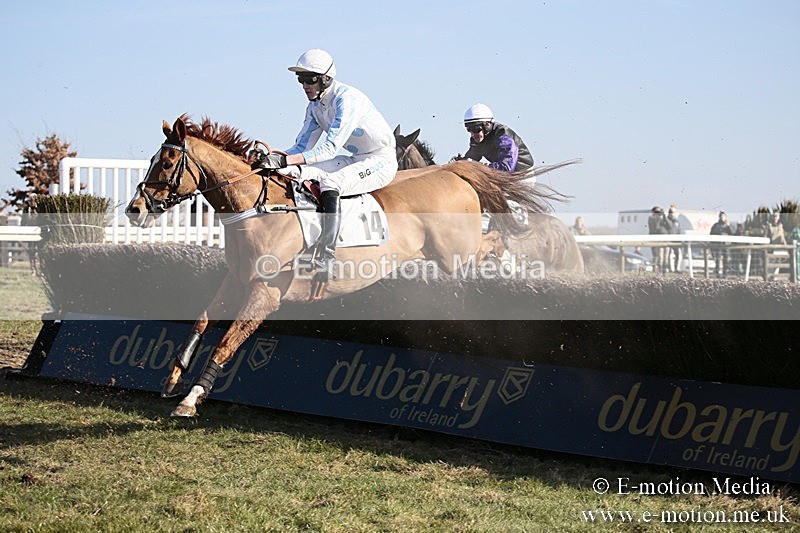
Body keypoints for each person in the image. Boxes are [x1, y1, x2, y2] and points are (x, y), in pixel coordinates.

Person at [253, 49, 398, 281]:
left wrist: (286, 160)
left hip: (380, 160)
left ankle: (327, 255)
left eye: (310, 79)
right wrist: (273, 159)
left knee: (330, 182)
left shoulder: (346, 99)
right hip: (354, 158)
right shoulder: (314, 107)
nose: (304, 85)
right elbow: (300, 148)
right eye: (300, 79)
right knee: (298, 172)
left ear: (326, 79)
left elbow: (329, 148)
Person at [459, 103, 533, 172]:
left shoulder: (503, 136)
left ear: (487, 125)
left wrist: (481, 167)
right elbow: (471, 158)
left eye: (475, 129)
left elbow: (506, 168)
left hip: (522, 174)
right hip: (502, 174)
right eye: (469, 129)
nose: (472, 134)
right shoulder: (477, 139)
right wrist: (459, 163)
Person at [710, 211, 734, 277]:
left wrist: (729, 226)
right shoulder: (716, 225)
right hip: (718, 245)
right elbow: (711, 234)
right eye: (721, 216)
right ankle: (717, 273)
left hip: (726, 245)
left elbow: (732, 234)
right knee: (717, 260)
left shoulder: (727, 226)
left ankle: (725, 274)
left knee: (725, 260)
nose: (722, 217)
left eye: (724, 216)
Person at [647, 206, 669, 273]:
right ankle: (655, 269)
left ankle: (663, 270)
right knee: (656, 255)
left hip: (662, 239)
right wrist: (659, 219)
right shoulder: (651, 218)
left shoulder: (662, 219)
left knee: (664, 256)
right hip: (654, 238)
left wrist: (665, 217)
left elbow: (669, 226)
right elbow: (655, 228)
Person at [664, 205, 682, 273]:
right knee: (670, 255)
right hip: (669, 240)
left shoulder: (676, 221)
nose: (672, 213)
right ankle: (671, 269)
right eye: (671, 212)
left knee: (678, 255)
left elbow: (678, 231)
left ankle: (676, 268)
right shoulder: (666, 220)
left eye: (674, 212)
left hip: (676, 241)